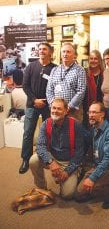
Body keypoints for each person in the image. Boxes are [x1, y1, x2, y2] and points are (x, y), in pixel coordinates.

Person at [29, 98, 84, 200]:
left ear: (66, 111)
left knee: (67, 195)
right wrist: (51, 162)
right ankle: (42, 189)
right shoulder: (46, 123)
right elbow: (40, 146)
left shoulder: (76, 125)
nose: (55, 111)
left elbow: (79, 153)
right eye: (53, 108)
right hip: (52, 158)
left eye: (59, 109)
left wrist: (67, 171)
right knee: (33, 160)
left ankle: (75, 174)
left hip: (68, 162)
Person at [75, 101, 109, 209]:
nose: (91, 115)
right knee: (78, 196)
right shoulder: (94, 128)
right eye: (89, 112)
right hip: (98, 165)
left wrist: (92, 178)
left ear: (102, 114)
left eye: (94, 112)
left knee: (92, 187)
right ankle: (104, 184)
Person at [19, 42, 56, 174]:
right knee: (28, 132)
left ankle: (46, 157)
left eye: (44, 49)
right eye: (40, 49)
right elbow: (25, 85)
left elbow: (55, 88)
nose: (41, 51)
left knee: (48, 132)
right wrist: (35, 99)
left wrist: (46, 101)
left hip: (48, 106)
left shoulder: (55, 69)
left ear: (50, 52)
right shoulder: (31, 66)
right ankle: (25, 159)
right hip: (32, 105)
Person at [46, 43, 86, 122]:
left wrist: (68, 107)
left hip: (73, 112)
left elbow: (81, 91)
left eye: (68, 52)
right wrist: (53, 105)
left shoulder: (80, 70)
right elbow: (49, 90)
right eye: (63, 52)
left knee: (73, 133)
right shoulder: (54, 70)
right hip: (57, 112)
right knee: (57, 134)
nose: (65, 54)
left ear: (74, 55)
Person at [83, 50, 104, 127]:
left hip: (101, 108)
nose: (93, 61)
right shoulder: (84, 73)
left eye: (95, 58)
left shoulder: (104, 74)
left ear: (99, 60)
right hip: (86, 108)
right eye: (91, 58)